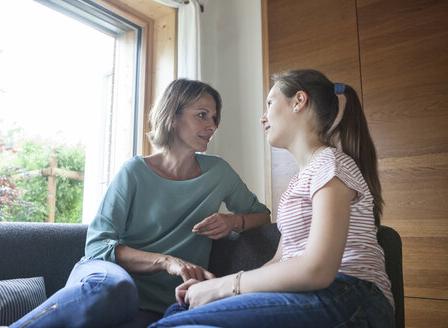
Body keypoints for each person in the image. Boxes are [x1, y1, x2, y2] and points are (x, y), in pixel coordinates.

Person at [9, 78, 270, 328]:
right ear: (173, 116)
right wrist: (166, 261)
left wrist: (234, 220)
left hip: (158, 306)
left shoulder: (219, 173)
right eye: (202, 115)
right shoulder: (134, 172)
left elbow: (262, 216)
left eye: (214, 118)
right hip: (107, 280)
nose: (212, 125)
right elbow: (97, 245)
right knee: (118, 290)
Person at [149, 69, 395, 328]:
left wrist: (225, 287)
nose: (262, 117)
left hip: (352, 296)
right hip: (312, 294)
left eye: (269, 103)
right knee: (177, 311)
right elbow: (280, 261)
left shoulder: (330, 164)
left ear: (299, 101)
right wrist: (211, 288)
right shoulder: (299, 181)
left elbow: (318, 270)